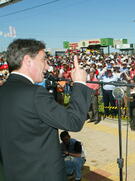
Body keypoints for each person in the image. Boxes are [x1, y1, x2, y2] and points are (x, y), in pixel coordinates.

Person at [0, 39, 92, 181]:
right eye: (43, 60)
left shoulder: (3, 91)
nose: (47, 67)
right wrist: (80, 83)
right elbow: (73, 122)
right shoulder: (35, 94)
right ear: (27, 60)